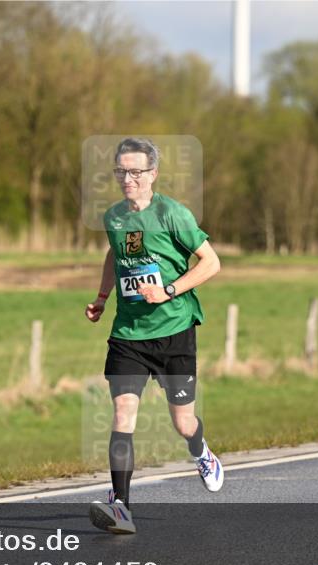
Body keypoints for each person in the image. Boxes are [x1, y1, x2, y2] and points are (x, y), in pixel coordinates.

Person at [85, 137, 223, 535]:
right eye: (120, 172)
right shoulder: (114, 218)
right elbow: (115, 253)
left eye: (136, 172)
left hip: (174, 331)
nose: (127, 179)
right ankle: (121, 508)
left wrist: (168, 290)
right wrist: (102, 296)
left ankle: (201, 452)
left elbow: (211, 262)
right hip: (128, 334)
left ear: (153, 174)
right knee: (123, 413)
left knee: (183, 424)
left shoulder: (173, 214)